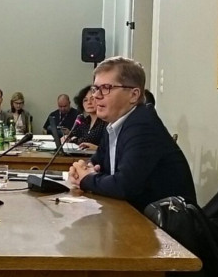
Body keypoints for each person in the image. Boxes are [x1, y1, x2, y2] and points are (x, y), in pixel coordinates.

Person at [68, 56, 196, 211]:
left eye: (106, 88)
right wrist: (82, 170)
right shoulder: (114, 124)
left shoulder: (143, 125)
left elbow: (124, 186)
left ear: (133, 95)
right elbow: (96, 164)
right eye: (96, 88)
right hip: (130, 213)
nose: (96, 95)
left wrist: (86, 179)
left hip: (160, 222)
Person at [66, 85, 107, 150]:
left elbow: (86, 141)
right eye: (85, 100)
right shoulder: (86, 120)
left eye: (92, 99)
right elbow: (73, 134)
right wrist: (67, 138)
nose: (89, 103)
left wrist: (73, 139)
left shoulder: (105, 121)